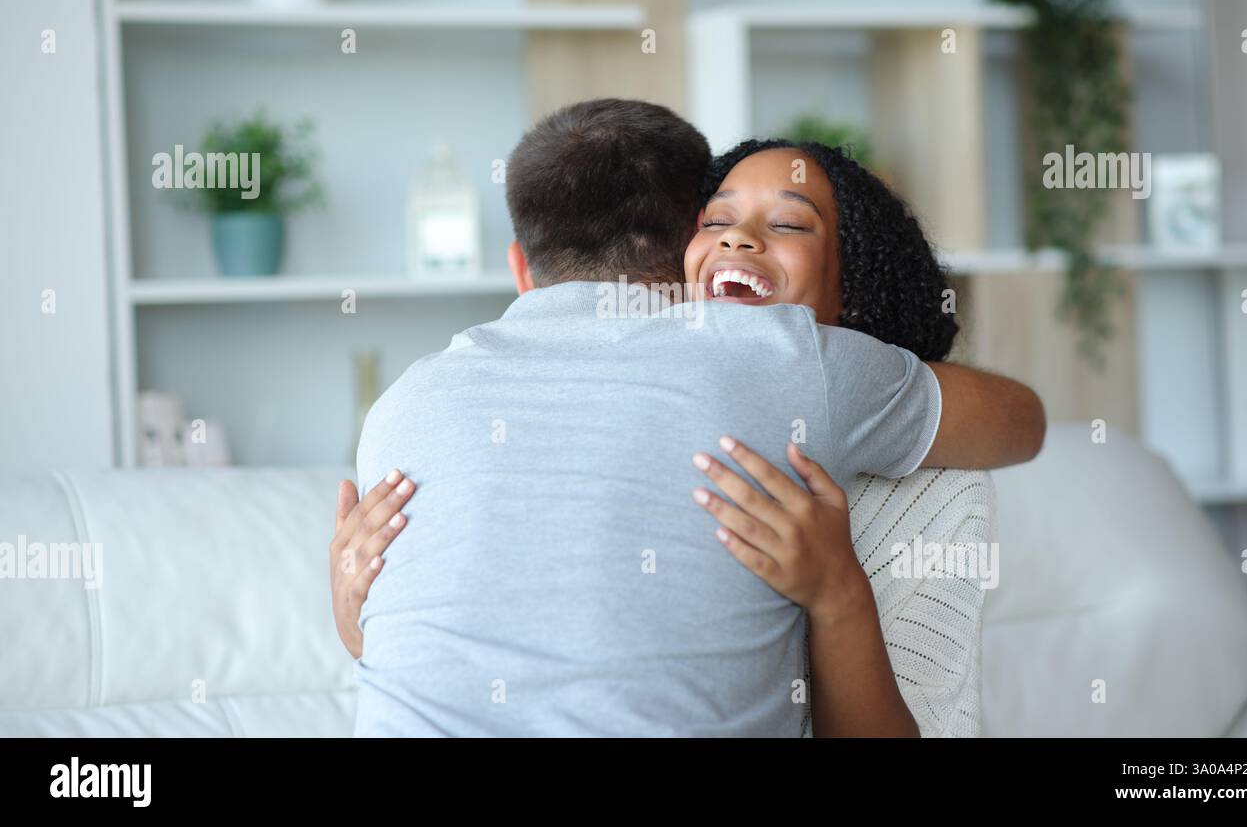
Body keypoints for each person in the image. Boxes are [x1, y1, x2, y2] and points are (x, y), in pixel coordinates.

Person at [334, 98, 1043, 736]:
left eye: (789, 222)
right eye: (720, 220)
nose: (740, 241)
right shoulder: (784, 357)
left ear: (522, 269)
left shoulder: (399, 406)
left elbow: (431, 655)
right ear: (685, 256)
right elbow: (1022, 419)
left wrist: (355, 618)